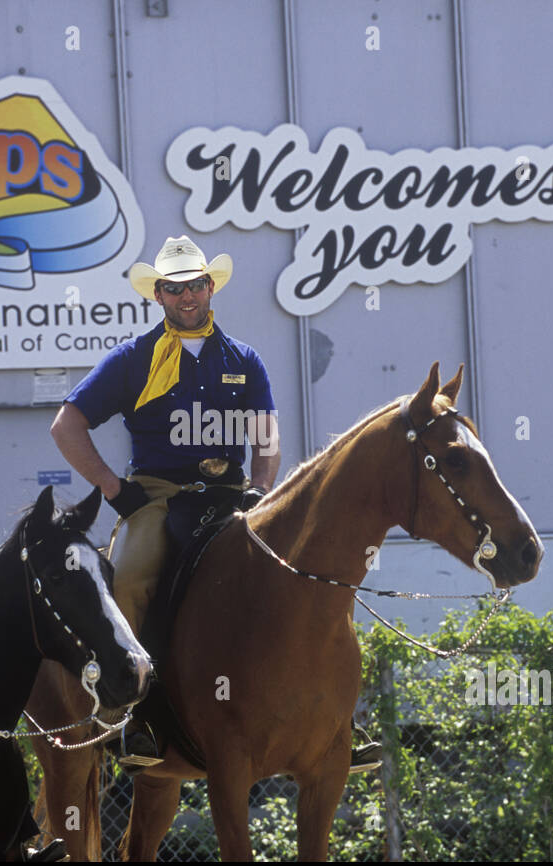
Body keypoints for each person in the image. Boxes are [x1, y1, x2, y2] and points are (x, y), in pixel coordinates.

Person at [51, 236, 380, 772]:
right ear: (158, 294)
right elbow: (66, 426)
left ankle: (339, 717)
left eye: (196, 285)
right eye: (175, 288)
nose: (187, 296)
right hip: (158, 495)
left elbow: (266, 440)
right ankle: (131, 714)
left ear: (211, 287)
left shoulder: (244, 360)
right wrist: (114, 489)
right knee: (132, 577)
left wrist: (262, 487)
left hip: (232, 497)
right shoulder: (132, 360)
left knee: (308, 571)